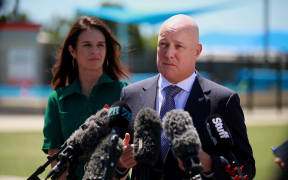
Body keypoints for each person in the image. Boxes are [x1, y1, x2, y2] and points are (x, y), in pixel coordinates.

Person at [117, 14, 255, 180]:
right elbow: (108, 166)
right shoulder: (131, 95)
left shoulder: (223, 100)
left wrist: (210, 164)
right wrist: (120, 164)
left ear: (197, 51)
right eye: (163, 44)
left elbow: (246, 169)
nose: (169, 54)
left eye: (179, 46)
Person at [42, 16, 129, 180]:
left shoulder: (125, 92)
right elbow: (56, 160)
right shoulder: (57, 100)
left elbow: (132, 152)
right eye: (87, 45)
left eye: (100, 45)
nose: (95, 51)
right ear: (72, 51)